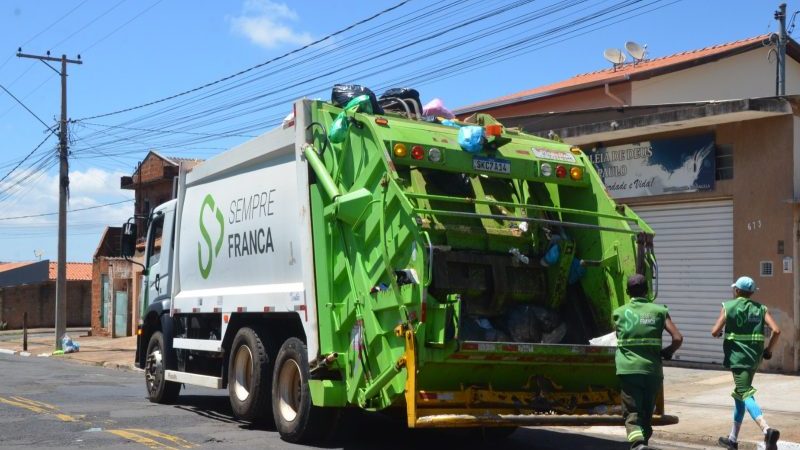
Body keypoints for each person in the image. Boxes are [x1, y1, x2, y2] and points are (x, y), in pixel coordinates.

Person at [613, 274, 683, 450]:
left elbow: (617, 337)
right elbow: (677, 338)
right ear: (647, 290)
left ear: (628, 291)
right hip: (652, 371)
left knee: (632, 412)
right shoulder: (659, 311)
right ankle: (642, 443)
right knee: (646, 413)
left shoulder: (618, 313)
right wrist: (667, 352)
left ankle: (637, 444)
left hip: (628, 370)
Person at [712, 276, 781, 450]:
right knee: (740, 395)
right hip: (754, 359)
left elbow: (715, 331)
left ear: (736, 290)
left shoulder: (729, 306)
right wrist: (769, 350)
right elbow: (776, 330)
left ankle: (767, 430)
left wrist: (720, 333)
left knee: (745, 393)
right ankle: (733, 439)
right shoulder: (761, 308)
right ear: (751, 293)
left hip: (737, 358)